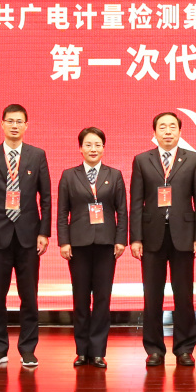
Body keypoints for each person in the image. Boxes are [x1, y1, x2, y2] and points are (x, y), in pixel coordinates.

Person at [0, 104, 51, 368]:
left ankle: (28, 349)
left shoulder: (37, 155)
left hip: (29, 237)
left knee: (29, 296)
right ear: (2, 124)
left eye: (19, 121)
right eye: (10, 121)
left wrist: (44, 232)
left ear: (26, 125)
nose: (15, 125)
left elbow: (46, 198)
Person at [130, 111, 196, 367]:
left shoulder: (194, 160)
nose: (167, 131)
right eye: (162, 127)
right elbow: (136, 202)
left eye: (172, 126)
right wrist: (136, 238)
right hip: (151, 236)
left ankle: (185, 348)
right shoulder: (142, 160)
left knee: (184, 295)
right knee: (152, 296)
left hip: (184, 235)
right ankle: (154, 349)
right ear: (154, 133)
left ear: (180, 132)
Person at [57, 127, 127, 369]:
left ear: (104, 148)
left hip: (106, 244)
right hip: (78, 245)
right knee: (80, 299)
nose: (93, 149)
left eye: (98, 145)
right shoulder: (69, 175)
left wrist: (120, 240)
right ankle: (81, 350)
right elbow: (62, 212)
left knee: (102, 299)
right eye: (88, 144)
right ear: (80, 148)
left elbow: (122, 211)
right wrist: (64, 241)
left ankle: (97, 351)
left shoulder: (114, 175)